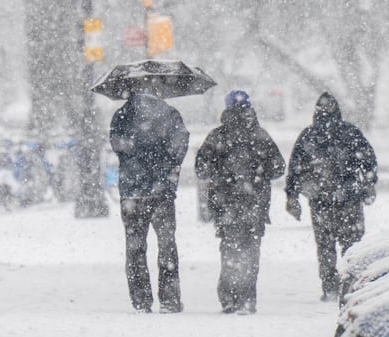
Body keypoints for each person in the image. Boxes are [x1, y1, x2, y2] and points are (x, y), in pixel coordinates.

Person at [195, 90, 285, 314]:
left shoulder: (217, 136)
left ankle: (229, 297)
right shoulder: (260, 135)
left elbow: (201, 168)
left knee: (229, 252)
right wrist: (258, 174)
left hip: (226, 205)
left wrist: (220, 175)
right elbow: (278, 168)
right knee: (251, 252)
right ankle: (247, 298)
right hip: (255, 205)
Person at [284, 92, 377, 303]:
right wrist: (368, 182)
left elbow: (295, 168)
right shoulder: (350, 132)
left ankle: (330, 286)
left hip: (321, 201)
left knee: (325, 246)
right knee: (352, 244)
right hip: (349, 199)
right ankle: (351, 282)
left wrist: (293, 195)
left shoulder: (309, 135)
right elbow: (369, 159)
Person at [109, 92, 189, 313]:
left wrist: (136, 153)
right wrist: (165, 162)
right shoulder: (170, 114)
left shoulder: (122, 115)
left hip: (132, 193)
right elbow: (180, 146)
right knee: (167, 246)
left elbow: (118, 146)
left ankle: (141, 301)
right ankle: (170, 300)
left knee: (135, 248)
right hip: (161, 191)